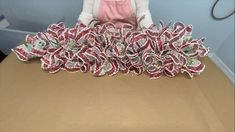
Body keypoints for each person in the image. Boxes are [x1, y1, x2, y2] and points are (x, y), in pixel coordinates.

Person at [12, 0, 209, 79]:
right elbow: (86, 17)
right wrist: (77, 36)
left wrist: (154, 38)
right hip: (99, 37)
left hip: (129, 39)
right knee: (63, 45)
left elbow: (144, 17)